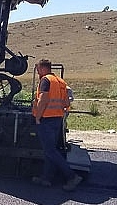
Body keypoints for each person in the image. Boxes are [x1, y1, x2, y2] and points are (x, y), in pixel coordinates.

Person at [32, 59, 83, 191]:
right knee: (51, 150)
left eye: (38, 69)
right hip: (57, 119)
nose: (38, 72)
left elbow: (43, 99)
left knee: (50, 151)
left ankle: (72, 176)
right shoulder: (60, 81)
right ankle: (46, 178)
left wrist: (38, 117)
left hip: (46, 120)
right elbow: (66, 102)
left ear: (43, 69)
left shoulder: (46, 80)